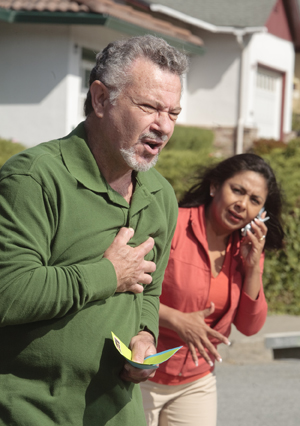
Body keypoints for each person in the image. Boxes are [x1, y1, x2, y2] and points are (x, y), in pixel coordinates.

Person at [0, 35, 188, 426]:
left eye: (173, 113)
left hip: (120, 414)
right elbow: (7, 292)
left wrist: (145, 338)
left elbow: (149, 293)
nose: (163, 127)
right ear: (101, 99)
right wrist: (108, 274)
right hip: (31, 412)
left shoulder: (161, 195)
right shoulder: (33, 179)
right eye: (150, 107)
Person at [140, 153, 285, 426]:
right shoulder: (173, 223)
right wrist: (176, 319)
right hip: (142, 374)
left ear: (262, 213)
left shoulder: (247, 250)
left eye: (254, 201)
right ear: (215, 186)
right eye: (237, 190)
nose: (242, 205)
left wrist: (253, 267)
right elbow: (128, 291)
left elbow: (250, 327)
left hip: (197, 381)